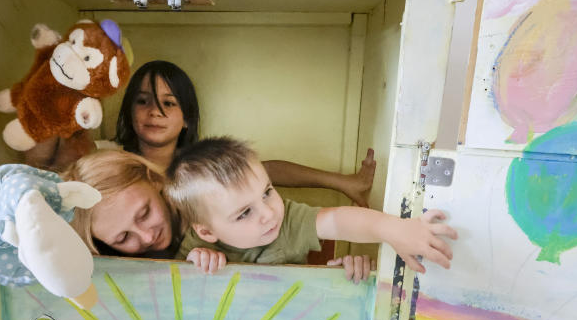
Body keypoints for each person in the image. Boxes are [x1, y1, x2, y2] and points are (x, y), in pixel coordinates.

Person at [63, 149, 376, 280]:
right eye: (123, 237)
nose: (146, 236)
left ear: (156, 181)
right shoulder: (118, 267)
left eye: (144, 213)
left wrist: (342, 183)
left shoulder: (199, 197)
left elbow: (263, 171)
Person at [164, 137, 457, 277]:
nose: (267, 213)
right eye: (244, 213)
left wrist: (394, 229)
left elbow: (339, 221)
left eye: (267, 192)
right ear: (206, 231)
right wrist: (195, 268)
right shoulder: (196, 245)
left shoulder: (287, 219)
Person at [114, 60, 376, 207]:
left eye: (169, 103)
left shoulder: (198, 170)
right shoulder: (111, 162)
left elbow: (267, 170)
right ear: (129, 109)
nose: (154, 112)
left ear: (187, 119)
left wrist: (343, 183)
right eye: (143, 101)